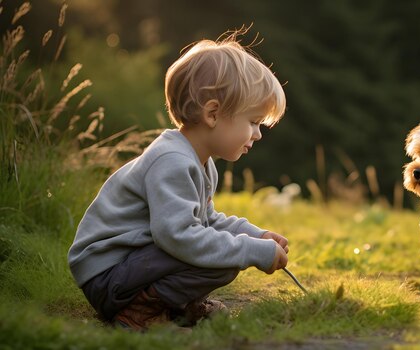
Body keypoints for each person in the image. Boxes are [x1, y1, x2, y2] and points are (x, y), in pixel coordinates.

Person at [67, 29, 289, 331]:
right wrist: (249, 250)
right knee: (222, 258)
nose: (258, 134)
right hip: (108, 276)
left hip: (131, 267)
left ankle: (174, 305)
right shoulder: (172, 161)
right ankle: (139, 313)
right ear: (212, 113)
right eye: (252, 122)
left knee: (223, 252)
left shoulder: (200, 161)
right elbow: (178, 236)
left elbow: (206, 220)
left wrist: (255, 235)